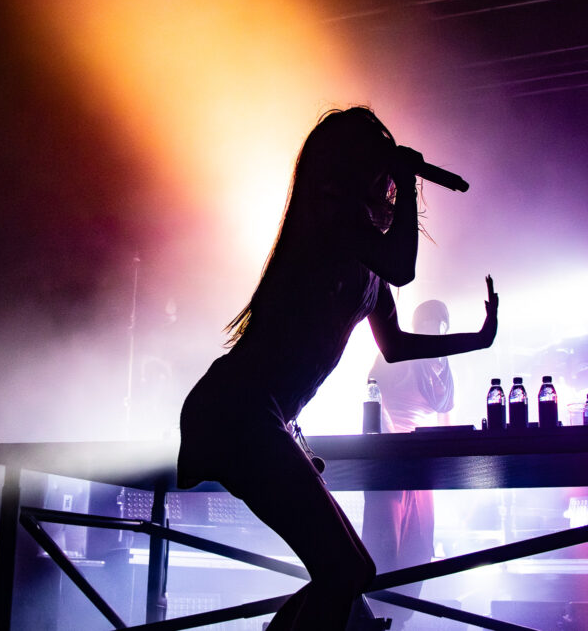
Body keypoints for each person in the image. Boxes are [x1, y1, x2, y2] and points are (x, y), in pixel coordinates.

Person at [177, 107, 498, 630]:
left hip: (262, 416)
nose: (387, 172)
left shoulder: (369, 265)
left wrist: (478, 340)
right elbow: (405, 265)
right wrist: (409, 178)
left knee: (349, 571)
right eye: (377, 156)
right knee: (346, 569)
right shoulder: (328, 220)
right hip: (237, 410)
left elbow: (394, 345)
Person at [361, 299, 454, 630]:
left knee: (419, 542)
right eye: (428, 322)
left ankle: (399, 619)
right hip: (391, 460)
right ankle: (374, 615)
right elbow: (373, 397)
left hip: (421, 465)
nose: (435, 329)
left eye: (440, 323)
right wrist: (390, 443)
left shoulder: (443, 365)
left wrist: (442, 454)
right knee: (385, 537)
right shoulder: (398, 352)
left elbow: (444, 416)